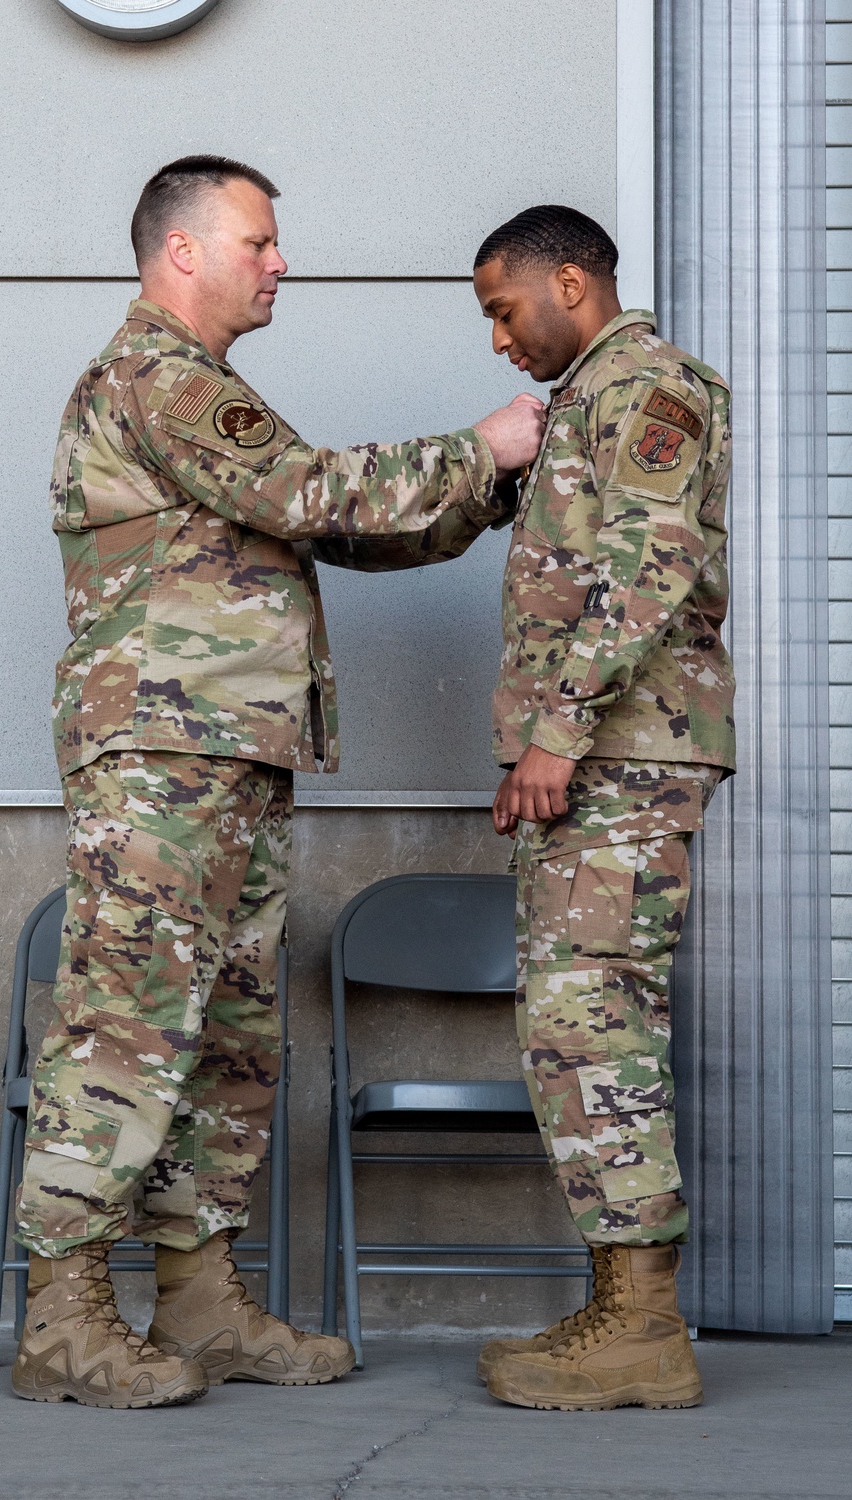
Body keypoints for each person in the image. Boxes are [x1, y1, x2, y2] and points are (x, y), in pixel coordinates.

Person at [10, 155, 546, 1409]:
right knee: (128, 1026)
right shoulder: (155, 375)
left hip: (232, 757)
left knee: (230, 1038)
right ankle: (64, 1321)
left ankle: (199, 1302)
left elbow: (336, 529)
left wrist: (489, 485)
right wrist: (474, 444)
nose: (278, 259)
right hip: (160, 757)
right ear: (181, 251)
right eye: (257, 240)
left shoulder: (206, 394)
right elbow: (309, 492)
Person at [468, 205, 735, 1411]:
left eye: (501, 308)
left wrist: (556, 733)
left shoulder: (653, 388)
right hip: (598, 759)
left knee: (594, 1026)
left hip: (621, 755)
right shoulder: (587, 399)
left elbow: (644, 569)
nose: (496, 336)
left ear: (569, 283)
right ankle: (622, 1303)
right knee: (577, 1029)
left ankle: (643, 1327)